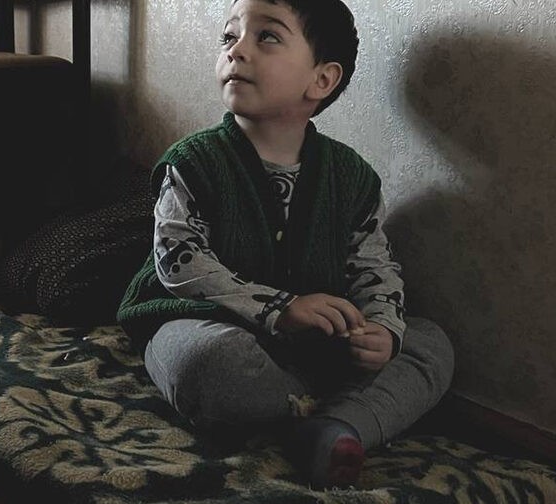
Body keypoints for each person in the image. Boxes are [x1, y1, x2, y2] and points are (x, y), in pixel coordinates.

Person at [116, 0, 455, 490]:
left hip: (311, 347)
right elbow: (180, 265)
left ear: (322, 79)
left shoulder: (351, 176)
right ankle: (332, 413)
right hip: (206, 324)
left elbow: (374, 266)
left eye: (267, 36)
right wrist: (282, 308)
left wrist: (382, 329)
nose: (237, 50)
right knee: (205, 363)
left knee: (430, 344)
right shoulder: (192, 162)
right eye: (229, 36)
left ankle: (330, 425)